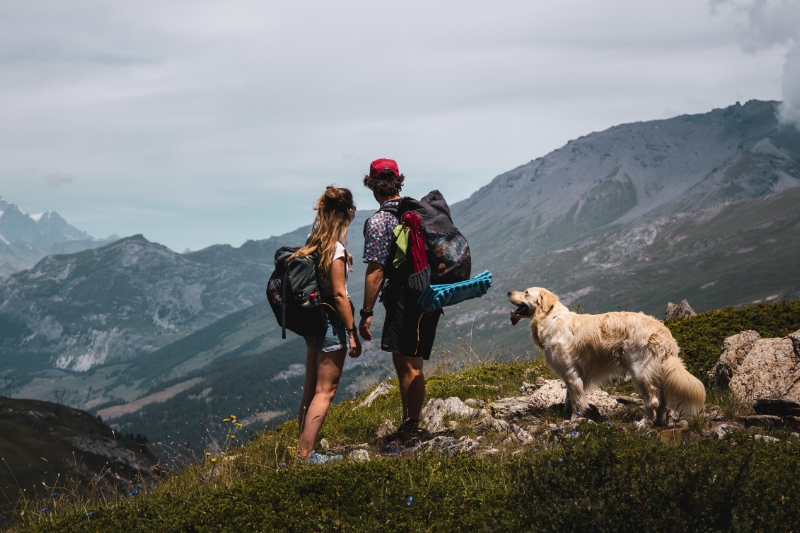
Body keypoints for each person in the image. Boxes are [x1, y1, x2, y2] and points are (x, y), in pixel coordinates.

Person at [359, 158, 442, 444]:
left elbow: (376, 271)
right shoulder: (417, 211)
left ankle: (412, 430)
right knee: (406, 360)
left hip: (406, 299)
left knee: (409, 366)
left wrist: (365, 312)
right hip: (428, 294)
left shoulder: (380, 220)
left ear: (371, 185)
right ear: (398, 182)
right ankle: (409, 424)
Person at [295, 186, 361, 464]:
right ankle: (305, 456)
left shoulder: (313, 240)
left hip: (312, 321)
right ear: (348, 212)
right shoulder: (334, 248)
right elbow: (338, 294)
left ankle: (302, 450)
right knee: (326, 391)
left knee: (311, 390)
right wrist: (351, 331)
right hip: (332, 323)